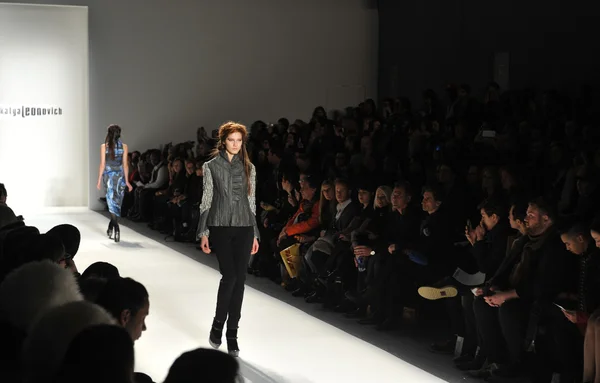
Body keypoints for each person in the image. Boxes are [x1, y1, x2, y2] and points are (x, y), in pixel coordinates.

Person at [197, 121, 260, 357]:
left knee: (240, 279)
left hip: (244, 226)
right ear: (223, 141)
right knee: (230, 276)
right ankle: (217, 324)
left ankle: (232, 333)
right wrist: (203, 231)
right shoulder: (211, 166)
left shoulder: (249, 168)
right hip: (220, 226)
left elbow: (251, 201)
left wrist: (255, 232)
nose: (235, 144)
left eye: (239, 140)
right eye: (231, 140)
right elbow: (207, 199)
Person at [97, 125, 133, 242]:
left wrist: (98, 180)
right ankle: (113, 226)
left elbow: (102, 164)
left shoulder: (104, 147)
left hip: (108, 178)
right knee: (116, 203)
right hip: (119, 178)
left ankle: (115, 226)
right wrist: (127, 181)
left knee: (112, 203)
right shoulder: (124, 147)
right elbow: (125, 165)